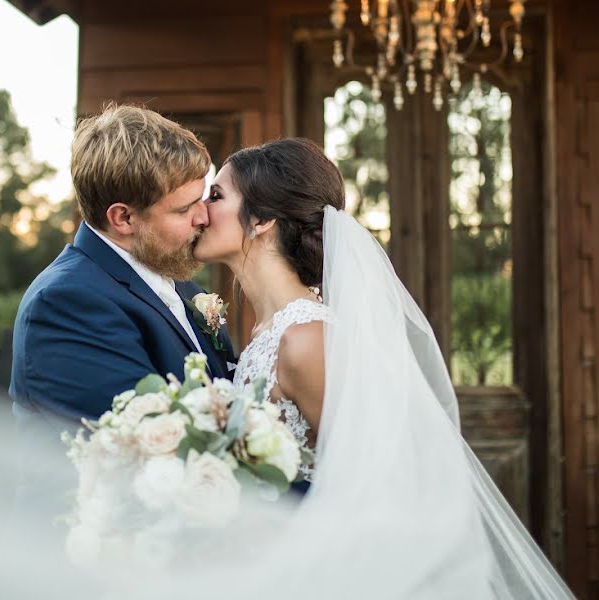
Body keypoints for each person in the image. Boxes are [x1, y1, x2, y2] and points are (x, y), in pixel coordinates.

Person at [184, 137, 574, 598]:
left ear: (264, 220)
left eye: (217, 195)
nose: (202, 210)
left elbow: (384, 486)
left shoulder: (305, 340)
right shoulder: (264, 332)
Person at [8, 104, 237, 539]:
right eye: (184, 208)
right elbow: (158, 451)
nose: (203, 217)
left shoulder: (180, 283)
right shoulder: (66, 304)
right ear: (123, 218)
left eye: (204, 198)